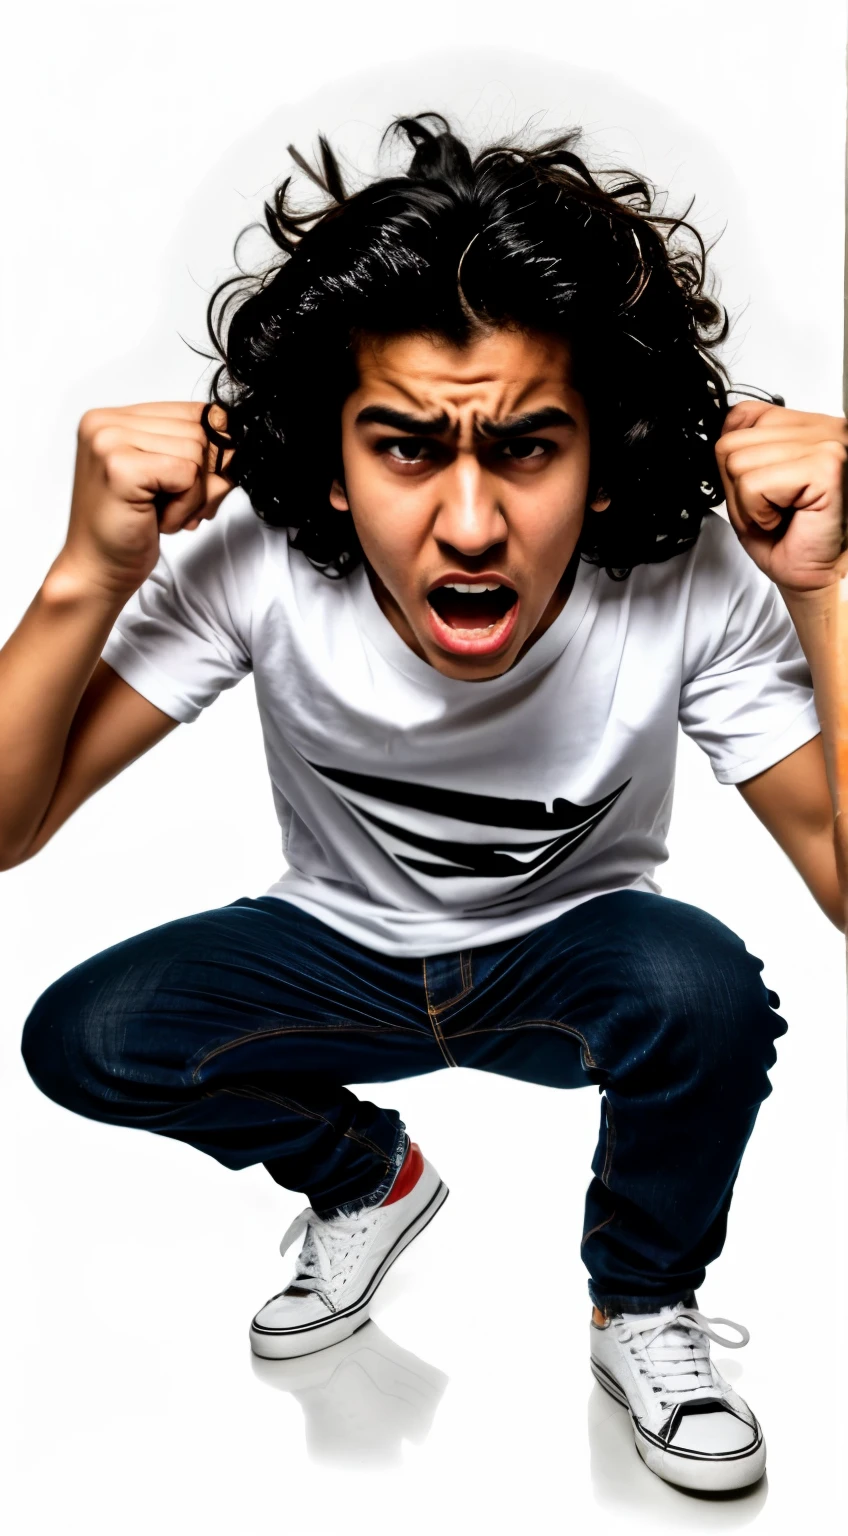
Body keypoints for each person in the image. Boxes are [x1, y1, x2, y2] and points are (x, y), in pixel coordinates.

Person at [7, 113, 846, 1495]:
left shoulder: (684, 580)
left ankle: (642, 1304)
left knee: (702, 990)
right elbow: (7, 827)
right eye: (406, 449)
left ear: (608, 457)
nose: (468, 525)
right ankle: (365, 1179)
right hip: (333, 959)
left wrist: (822, 589)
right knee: (86, 1033)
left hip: (569, 964)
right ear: (331, 466)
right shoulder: (262, 562)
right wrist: (84, 573)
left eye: (527, 449)